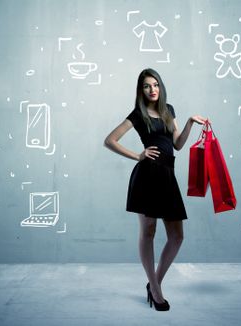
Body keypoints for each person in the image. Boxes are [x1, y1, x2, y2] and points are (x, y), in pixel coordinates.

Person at [104, 68, 206, 311]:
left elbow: (178, 145)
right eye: (147, 86)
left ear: (160, 87)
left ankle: (154, 283)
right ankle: (157, 290)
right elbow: (110, 140)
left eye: (155, 85)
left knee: (177, 236)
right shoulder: (138, 114)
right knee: (148, 231)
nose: (152, 89)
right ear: (141, 90)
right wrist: (138, 155)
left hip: (167, 176)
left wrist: (191, 122)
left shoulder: (168, 110)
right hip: (147, 175)